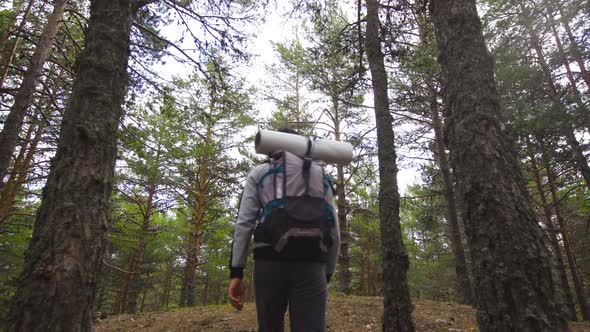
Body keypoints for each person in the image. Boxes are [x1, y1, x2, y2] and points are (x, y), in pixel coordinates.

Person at [227, 127, 340, 332]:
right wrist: (328, 272)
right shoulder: (320, 174)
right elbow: (334, 229)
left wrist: (237, 271)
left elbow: (244, 223)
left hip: (269, 262)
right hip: (312, 262)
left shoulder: (261, 172)